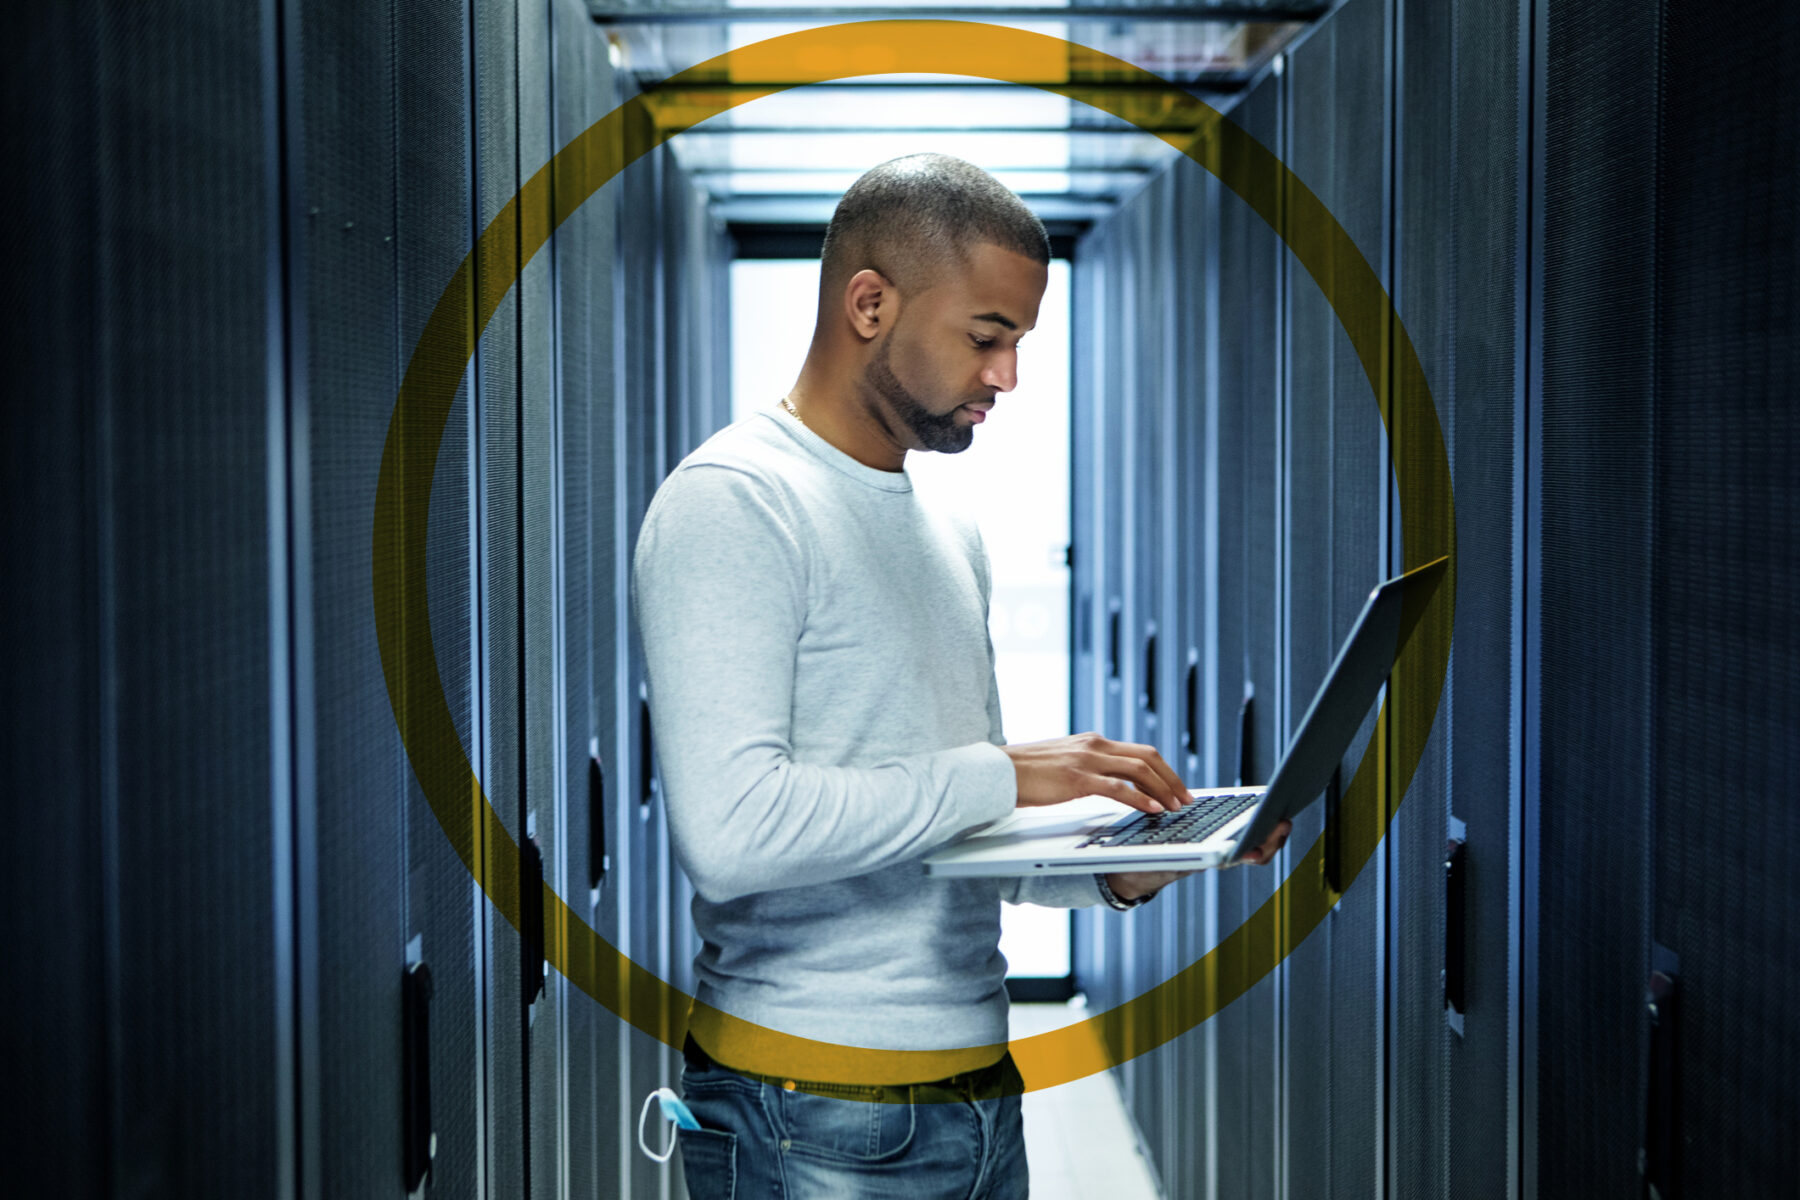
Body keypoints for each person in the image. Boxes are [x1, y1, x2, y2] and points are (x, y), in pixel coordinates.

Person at [629, 152, 1291, 1199]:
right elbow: (731, 834)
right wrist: (1006, 771)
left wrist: (1130, 866)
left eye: (1019, 341)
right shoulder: (734, 504)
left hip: (978, 1098)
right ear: (869, 302)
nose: (1008, 377)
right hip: (809, 1116)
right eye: (987, 336)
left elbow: (955, 837)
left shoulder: (946, 524)